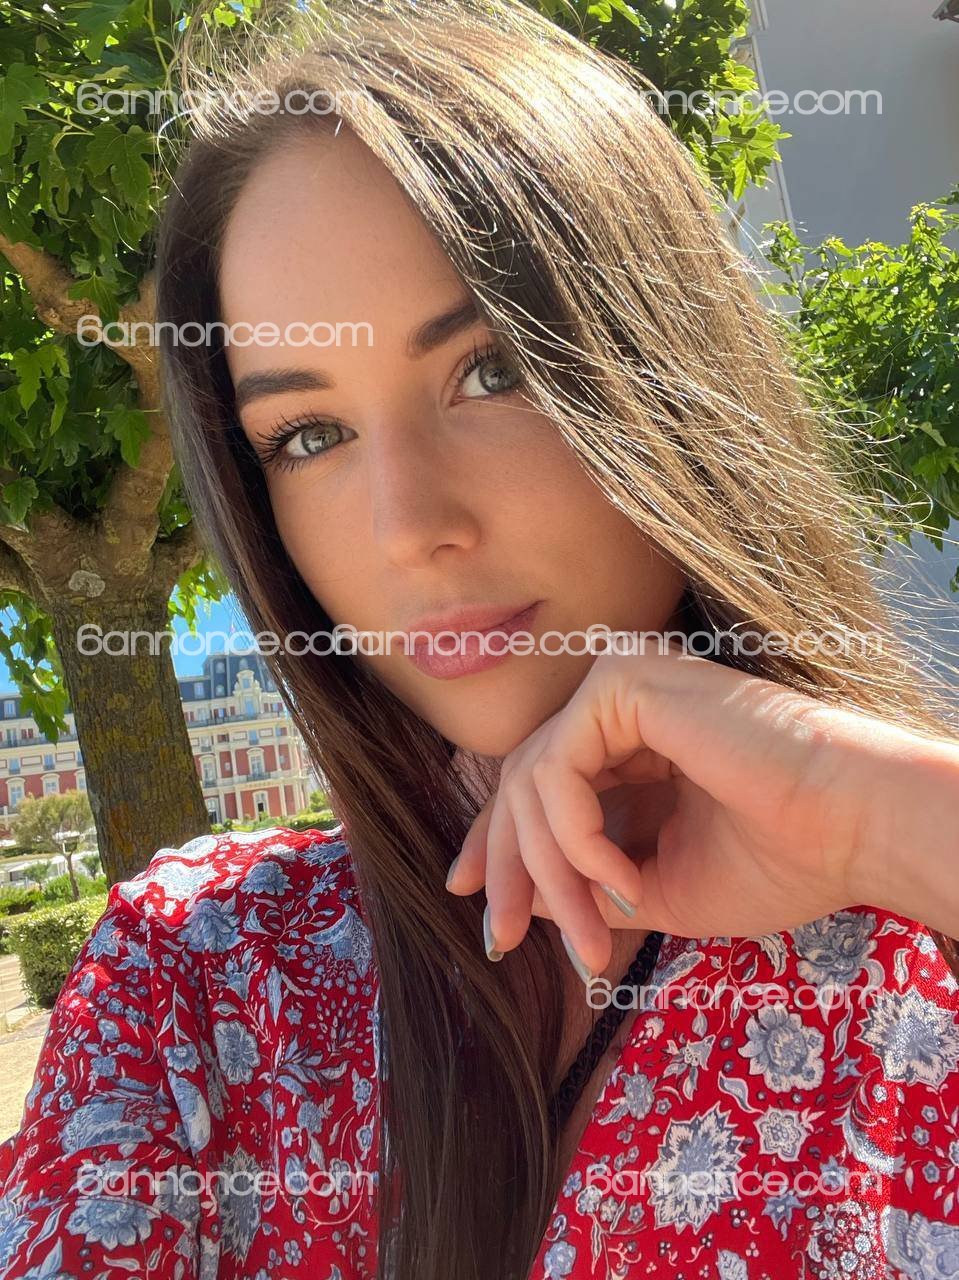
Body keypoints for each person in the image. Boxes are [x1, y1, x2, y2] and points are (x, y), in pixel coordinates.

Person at [2, 0, 959, 1276]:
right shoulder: (194, 980)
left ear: (666, 372)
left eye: (491, 369)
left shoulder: (902, 951)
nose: (407, 529)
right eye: (308, 435)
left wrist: (871, 817)